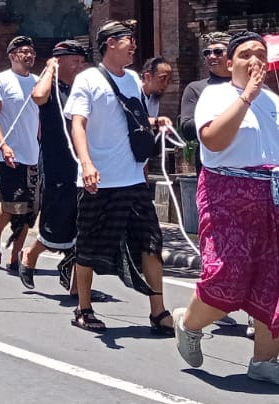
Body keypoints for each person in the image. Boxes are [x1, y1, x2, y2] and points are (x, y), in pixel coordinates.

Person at [172, 31, 279, 385]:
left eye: (260, 55)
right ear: (229, 62)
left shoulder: (273, 101)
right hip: (227, 193)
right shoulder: (215, 95)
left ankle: (266, 360)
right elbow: (213, 140)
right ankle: (188, 323)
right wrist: (246, 96)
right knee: (228, 271)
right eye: (245, 54)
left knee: (276, 276)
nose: (254, 61)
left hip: (272, 195)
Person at [64, 21, 177, 335]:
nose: (134, 45)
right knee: (89, 244)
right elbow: (78, 124)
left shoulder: (132, 80)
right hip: (99, 179)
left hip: (133, 178)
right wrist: (86, 163)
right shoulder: (88, 79)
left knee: (151, 242)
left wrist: (155, 122)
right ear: (110, 43)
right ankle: (83, 307)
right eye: (128, 39)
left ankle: (158, 311)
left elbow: (130, 120)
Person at [23, 40, 87, 291]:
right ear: (60, 61)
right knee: (58, 219)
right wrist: (50, 68)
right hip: (56, 161)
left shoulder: (81, 89)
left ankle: (77, 285)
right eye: (75, 61)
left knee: (83, 221)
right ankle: (31, 254)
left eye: (82, 62)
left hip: (83, 162)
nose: (80, 66)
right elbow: (37, 96)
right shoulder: (51, 87)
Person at [0, 35, 42, 273]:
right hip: (8, 154)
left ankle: (15, 256)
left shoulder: (38, 82)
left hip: (33, 154)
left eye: (31, 52)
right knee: (13, 203)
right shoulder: (2, 80)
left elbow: (40, 118)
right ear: (12, 56)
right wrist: (3, 145)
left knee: (29, 209)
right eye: (23, 52)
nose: (28, 56)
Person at [140, 56, 175, 120]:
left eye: (168, 80)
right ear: (148, 77)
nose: (165, 84)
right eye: (162, 79)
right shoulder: (133, 93)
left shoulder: (154, 97)